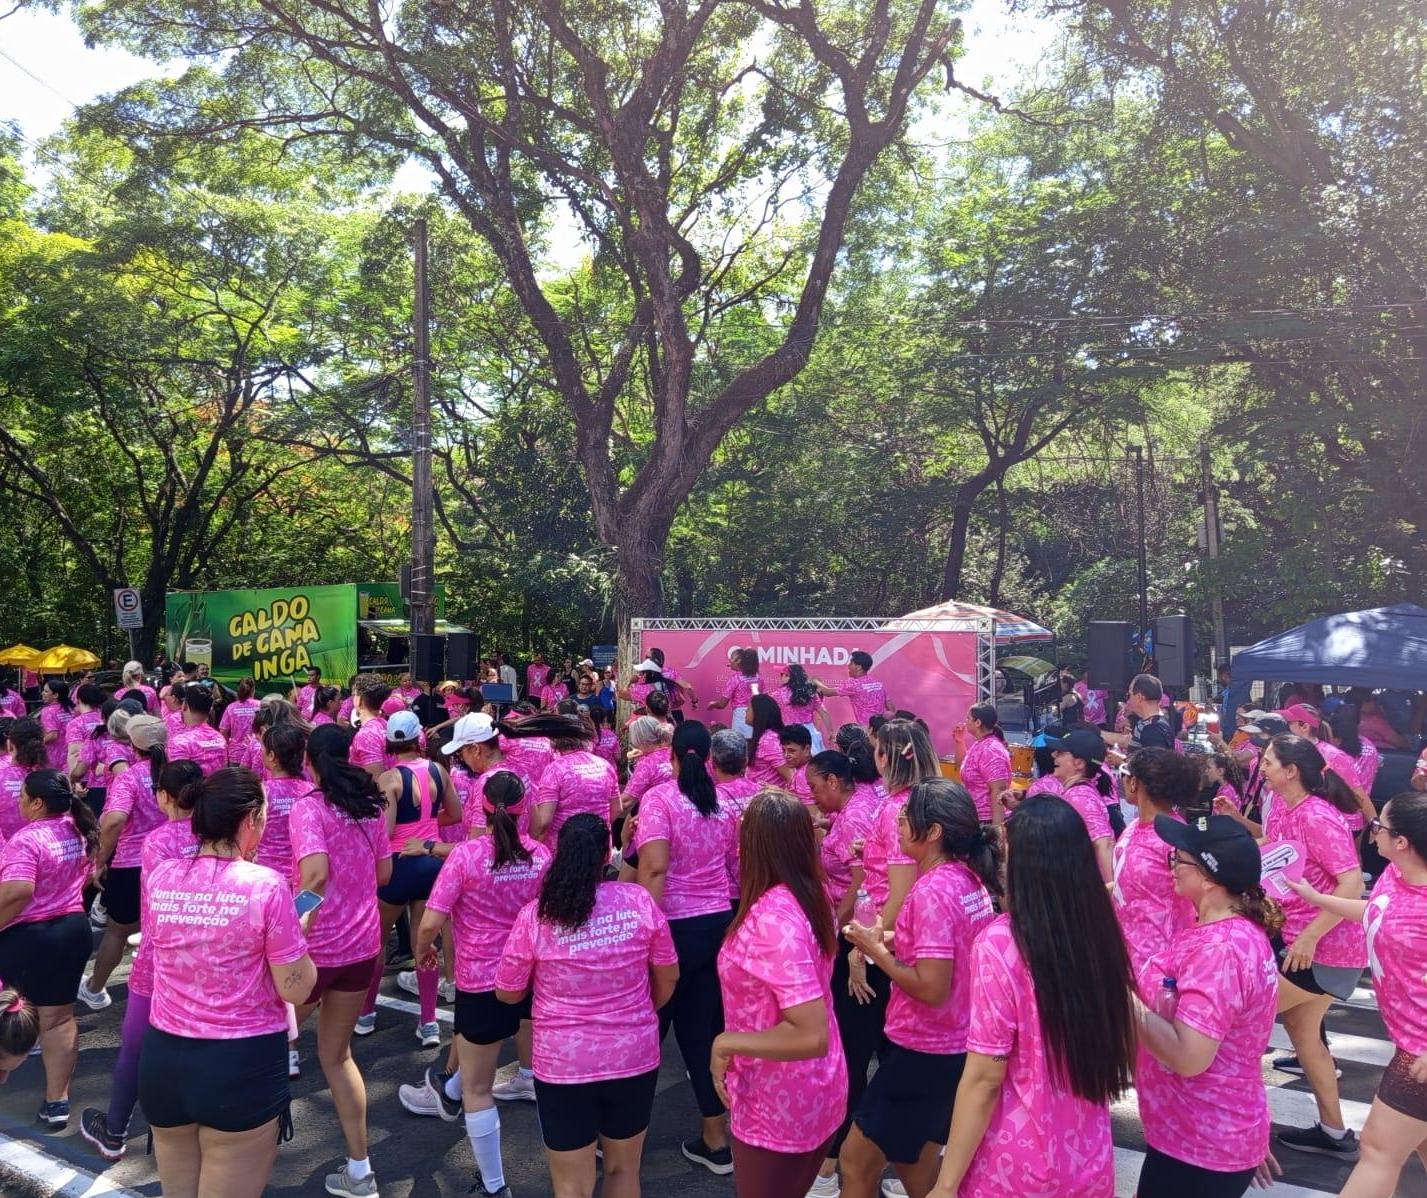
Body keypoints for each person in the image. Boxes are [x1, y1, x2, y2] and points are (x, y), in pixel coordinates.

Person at [927, 793, 1137, 1198]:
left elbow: (985, 1077)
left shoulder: (1002, 944)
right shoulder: (1102, 933)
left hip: (1015, 1166)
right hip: (1090, 1161)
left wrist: (946, 1184)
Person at [138, 768, 317, 1198]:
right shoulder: (268, 887)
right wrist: (300, 930)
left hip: (164, 1056)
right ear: (251, 820)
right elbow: (296, 988)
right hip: (240, 1062)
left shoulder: (162, 875)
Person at [494, 813, 679, 1198]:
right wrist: (640, 1012)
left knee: (571, 1186)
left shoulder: (536, 916)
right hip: (633, 1056)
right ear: (606, 856)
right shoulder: (638, 902)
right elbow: (668, 977)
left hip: (563, 1065)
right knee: (624, 1170)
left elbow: (508, 992)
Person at [841, 780, 998, 1198]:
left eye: (908, 817)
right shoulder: (967, 879)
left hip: (923, 1052)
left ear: (933, 833)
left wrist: (877, 950)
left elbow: (931, 988)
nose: (899, 822)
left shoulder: (931, 891)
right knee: (917, 1164)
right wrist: (890, 939)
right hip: (956, 1046)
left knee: (855, 1163)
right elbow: (952, 949)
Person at [810, 718, 936, 1196]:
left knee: (857, 1053)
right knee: (897, 1054)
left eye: (876, 752)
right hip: (912, 944)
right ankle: (908, 1165)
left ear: (887, 757)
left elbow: (899, 892)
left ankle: (834, 1166)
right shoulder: (929, 801)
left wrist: (867, 949)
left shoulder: (896, 810)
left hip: (884, 943)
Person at [1282, 791, 1427, 1197]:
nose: (1371, 830)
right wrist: (1315, 898)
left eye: (1380, 825)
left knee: (1378, 1150)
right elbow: (1376, 910)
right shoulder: (1396, 875)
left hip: (1420, 1056)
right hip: (1410, 1045)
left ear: (1402, 842)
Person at [413, 772, 550, 1198]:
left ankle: (494, 1187)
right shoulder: (541, 855)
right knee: (487, 1075)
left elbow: (431, 921)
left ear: (483, 808)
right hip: (529, 977)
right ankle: (448, 1089)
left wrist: (424, 950)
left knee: (478, 1088)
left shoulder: (467, 856)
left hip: (480, 982)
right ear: (522, 808)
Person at [1134, 814, 1284, 1197]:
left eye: (1178, 859)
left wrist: (1124, 999)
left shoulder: (1219, 950)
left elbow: (1190, 1056)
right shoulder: (1230, 931)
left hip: (1199, 1144)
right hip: (1205, 1133)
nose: (1171, 866)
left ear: (1208, 877)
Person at [712, 790, 846, 1198]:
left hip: (779, 1099)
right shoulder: (812, 894)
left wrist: (725, 1043)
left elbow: (809, 1033)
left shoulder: (773, 919)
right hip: (816, 1086)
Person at [287, 723, 393, 1198]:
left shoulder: (309, 808)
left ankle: (238, 1150)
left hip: (316, 950)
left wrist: (290, 925)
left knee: (266, 1046)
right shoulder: (369, 805)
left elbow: (313, 876)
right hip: (363, 946)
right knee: (337, 1055)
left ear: (308, 760)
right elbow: (384, 873)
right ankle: (360, 1167)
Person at [80, 758, 202, 1161]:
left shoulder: (159, 841)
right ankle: (199, 1132)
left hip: (159, 959)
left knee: (135, 1048)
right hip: (209, 958)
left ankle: (114, 1132)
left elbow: (157, 903)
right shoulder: (220, 834)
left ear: (163, 796)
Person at [631, 720, 738, 1173]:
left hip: (671, 926)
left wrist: (647, 931)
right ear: (709, 759)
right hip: (715, 924)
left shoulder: (660, 799)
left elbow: (653, 868)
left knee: (645, 1032)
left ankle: (619, 1139)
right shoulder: (722, 802)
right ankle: (717, 1140)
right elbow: (734, 864)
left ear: (671, 756)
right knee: (700, 1033)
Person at [1261, 734, 1367, 1160]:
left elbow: (1353, 882)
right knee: (1307, 1041)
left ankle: (1227, 1125)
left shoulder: (1318, 817)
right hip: (1300, 943)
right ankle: (1335, 1133)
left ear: (1291, 771)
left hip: (1323, 950)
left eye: (1269, 761)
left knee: (1241, 1023)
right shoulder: (1284, 810)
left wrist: (1309, 936)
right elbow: (1272, 854)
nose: (1262, 766)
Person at [0, 769, 98, 1127]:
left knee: (9, 1010)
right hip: (72, 930)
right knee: (58, 1020)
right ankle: (58, 1101)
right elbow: (87, 873)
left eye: (23, 796)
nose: (18, 801)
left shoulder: (26, 840)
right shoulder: (77, 827)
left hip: (29, 936)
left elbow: (17, 891)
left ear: (38, 802)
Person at [359, 710, 462, 1045]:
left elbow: (385, 832)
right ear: (418, 738)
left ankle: (366, 1013)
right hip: (430, 861)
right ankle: (429, 1022)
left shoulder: (388, 779)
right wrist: (428, 829)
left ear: (390, 742)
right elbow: (455, 813)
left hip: (399, 864)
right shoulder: (439, 771)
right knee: (424, 941)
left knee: (377, 941)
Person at [78, 714, 169, 1011]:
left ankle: (95, 988)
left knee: (117, 931)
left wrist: (99, 861)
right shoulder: (177, 773)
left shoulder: (129, 777)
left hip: (132, 865)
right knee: (165, 932)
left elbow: (115, 820)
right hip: (174, 863)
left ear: (132, 745)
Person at [1112, 748, 1200, 976]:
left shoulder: (1174, 837)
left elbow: (1200, 900)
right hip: (1127, 952)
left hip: (1161, 961)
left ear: (1134, 783)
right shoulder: (1135, 826)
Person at [519, 713, 619, 847]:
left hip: (564, 850)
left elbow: (544, 821)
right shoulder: (605, 765)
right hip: (599, 846)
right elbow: (617, 809)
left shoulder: (556, 769)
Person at [1276, 702, 1375, 829]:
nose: (1285, 726)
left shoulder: (1333, 756)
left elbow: (1357, 792)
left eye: (1289, 723)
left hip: (1340, 823)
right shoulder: (1294, 751)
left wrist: (1375, 824)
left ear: (1304, 726)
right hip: (1312, 822)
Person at [1043, 728, 1115, 881]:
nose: (1053, 755)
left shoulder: (1079, 796)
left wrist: (1111, 892)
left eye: (1061, 753)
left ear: (1079, 763)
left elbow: (1104, 842)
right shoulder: (1080, 792)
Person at [953, 702, 1011, 828]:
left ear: (978, 723)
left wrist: (996, 831)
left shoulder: (991, 750)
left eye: (968, 718)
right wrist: (959, 741)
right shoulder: (980, 744)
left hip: (987, 821)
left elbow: (998, 790)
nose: (965, 721)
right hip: (974, 817)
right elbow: (962, 764)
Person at [814, 650, 893, 727]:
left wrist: (814, 681)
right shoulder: (878, 684)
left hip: (867, 731)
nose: (848, 666)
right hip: (881, 730)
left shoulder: (854, 684)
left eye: (851, 663)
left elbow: (827, 692)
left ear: (858, 667)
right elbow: (892, 710)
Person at [1102, 673, 1175, 753]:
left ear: (1140, 697)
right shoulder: (1146, 723)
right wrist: (1094, 731)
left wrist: (1122, 762)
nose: (1128, 700)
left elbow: (1154, 764)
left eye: (1129, 694)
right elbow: (1126, 741)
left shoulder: (1152, 729)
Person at [0, 719, 46, 839]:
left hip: (7, 852)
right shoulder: (53, 776)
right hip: (44, 850)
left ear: (10, 745)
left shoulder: (2, 775)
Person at [169, 683, 228, 775]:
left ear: (184, 706)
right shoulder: (220, 738)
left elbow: (178, 782)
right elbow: (224, 774)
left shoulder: (180, 743)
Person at [772, 664, 832, 753]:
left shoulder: (779, 694)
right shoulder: (810, 693)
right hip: (809, 733)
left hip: (789, 734)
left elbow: (766, 709)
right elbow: (824, 712)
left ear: (788, 677)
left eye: (782, 675)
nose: (781, 678)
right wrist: (831, 732)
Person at [707, 648, 764, 738]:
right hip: (757, 715)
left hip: (741, 717)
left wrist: (713, 704)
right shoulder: (759, 677)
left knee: (740, 745)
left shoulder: (736, 679)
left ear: (738, 661)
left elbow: (722, 704)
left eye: (732, 658)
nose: (730, 661)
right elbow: (760, 696)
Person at [349, 674, 394, 779]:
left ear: (360, 699)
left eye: (354, 694)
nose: (353, 697)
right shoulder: (384, 723)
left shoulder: (366, 735)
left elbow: (376, 780)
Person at [744, 694, 787, 788]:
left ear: (759, 712)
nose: (746, 710)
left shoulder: (769, 740)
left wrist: (777, 791)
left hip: (771, 798)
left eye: (749, 708)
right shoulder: (766, 736)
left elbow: (790, 776)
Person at [219, 678, 262, 765]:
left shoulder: (231, 707)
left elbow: (223, 730)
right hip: (256, 753)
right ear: (253, 689)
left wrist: (229, 743)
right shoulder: (260, 705)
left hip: (235, 753)